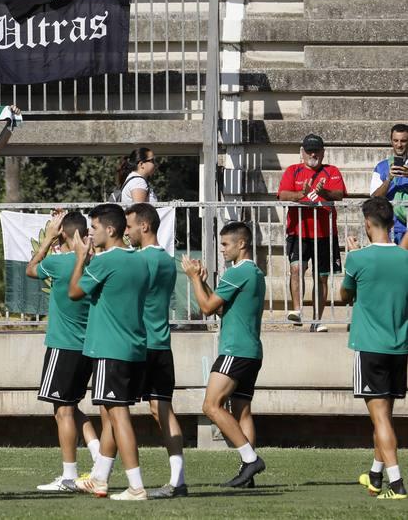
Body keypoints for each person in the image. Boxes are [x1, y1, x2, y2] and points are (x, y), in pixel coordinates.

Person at [68, 203, 151, 501]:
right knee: (108, 414)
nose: (90, 234)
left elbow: (74, 292)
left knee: (118, 417)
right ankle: (100, 479)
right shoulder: (141, 261)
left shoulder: (105, 261)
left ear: (110, 230)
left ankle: (136, 486)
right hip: (133, 347)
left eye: (93, 229)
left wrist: (81, 259)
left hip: (109, 349)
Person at [181, 221, 267, 490]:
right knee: (242, 412)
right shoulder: (254, 272)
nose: (222, 250)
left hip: (235, 350)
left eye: (226, 244)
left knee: (211, 406)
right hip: (251, 351)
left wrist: (193, 279)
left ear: (242, 244)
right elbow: (220, 309)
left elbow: (206, 308)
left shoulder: (236, 273)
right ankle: (247, 476)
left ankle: (250, 459)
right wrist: (205, 283)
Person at [25, 210, 103, 493]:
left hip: (64, 346)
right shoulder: (94, 262)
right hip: (87, 347)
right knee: (70, 407)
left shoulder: (60, 262)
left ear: (64, 234)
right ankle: (98, 458)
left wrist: (46, 240)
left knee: (62, 412)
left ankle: (69, 476)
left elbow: (31, 269)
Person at [344, 196, 408, 500]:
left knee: (379, 417)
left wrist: (351, 256)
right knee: (384, 415)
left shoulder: (358, 258)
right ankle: (375, 475)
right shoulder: (405, 258)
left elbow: (345, 294)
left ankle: (397, 484)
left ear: (368, 224)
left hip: (370, 346)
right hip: (399, 346)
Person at [125, 203, 187, 499]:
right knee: (161, 407)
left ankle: (100, 474)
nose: (126, 231)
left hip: (140, 344)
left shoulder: (142, 260)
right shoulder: (166, 260)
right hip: (161, 343)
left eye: (129, 226)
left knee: (114, 408)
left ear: (145, 226)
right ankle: (178, 479)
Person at [277, 133, 345, 331]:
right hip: (299, 231)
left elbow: (339, 194)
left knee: (322, 277)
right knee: (297, 269)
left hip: (325, 233)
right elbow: (283, 194)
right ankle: (297, 311)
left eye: (316, 150)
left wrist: (323, 193)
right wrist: (302, 194)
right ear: (302, 152)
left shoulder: (331, 171)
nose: (312, 154)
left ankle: (317, 320)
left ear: (323, 152)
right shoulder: (293, 170)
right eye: (309, 150)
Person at [369, 124, 408, 243]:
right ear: (391, 141)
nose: (399, 145)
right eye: (396, 140)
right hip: (389, 229)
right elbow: (374, 197)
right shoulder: (381, 167)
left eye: (403, 141)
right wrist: (389, 179)